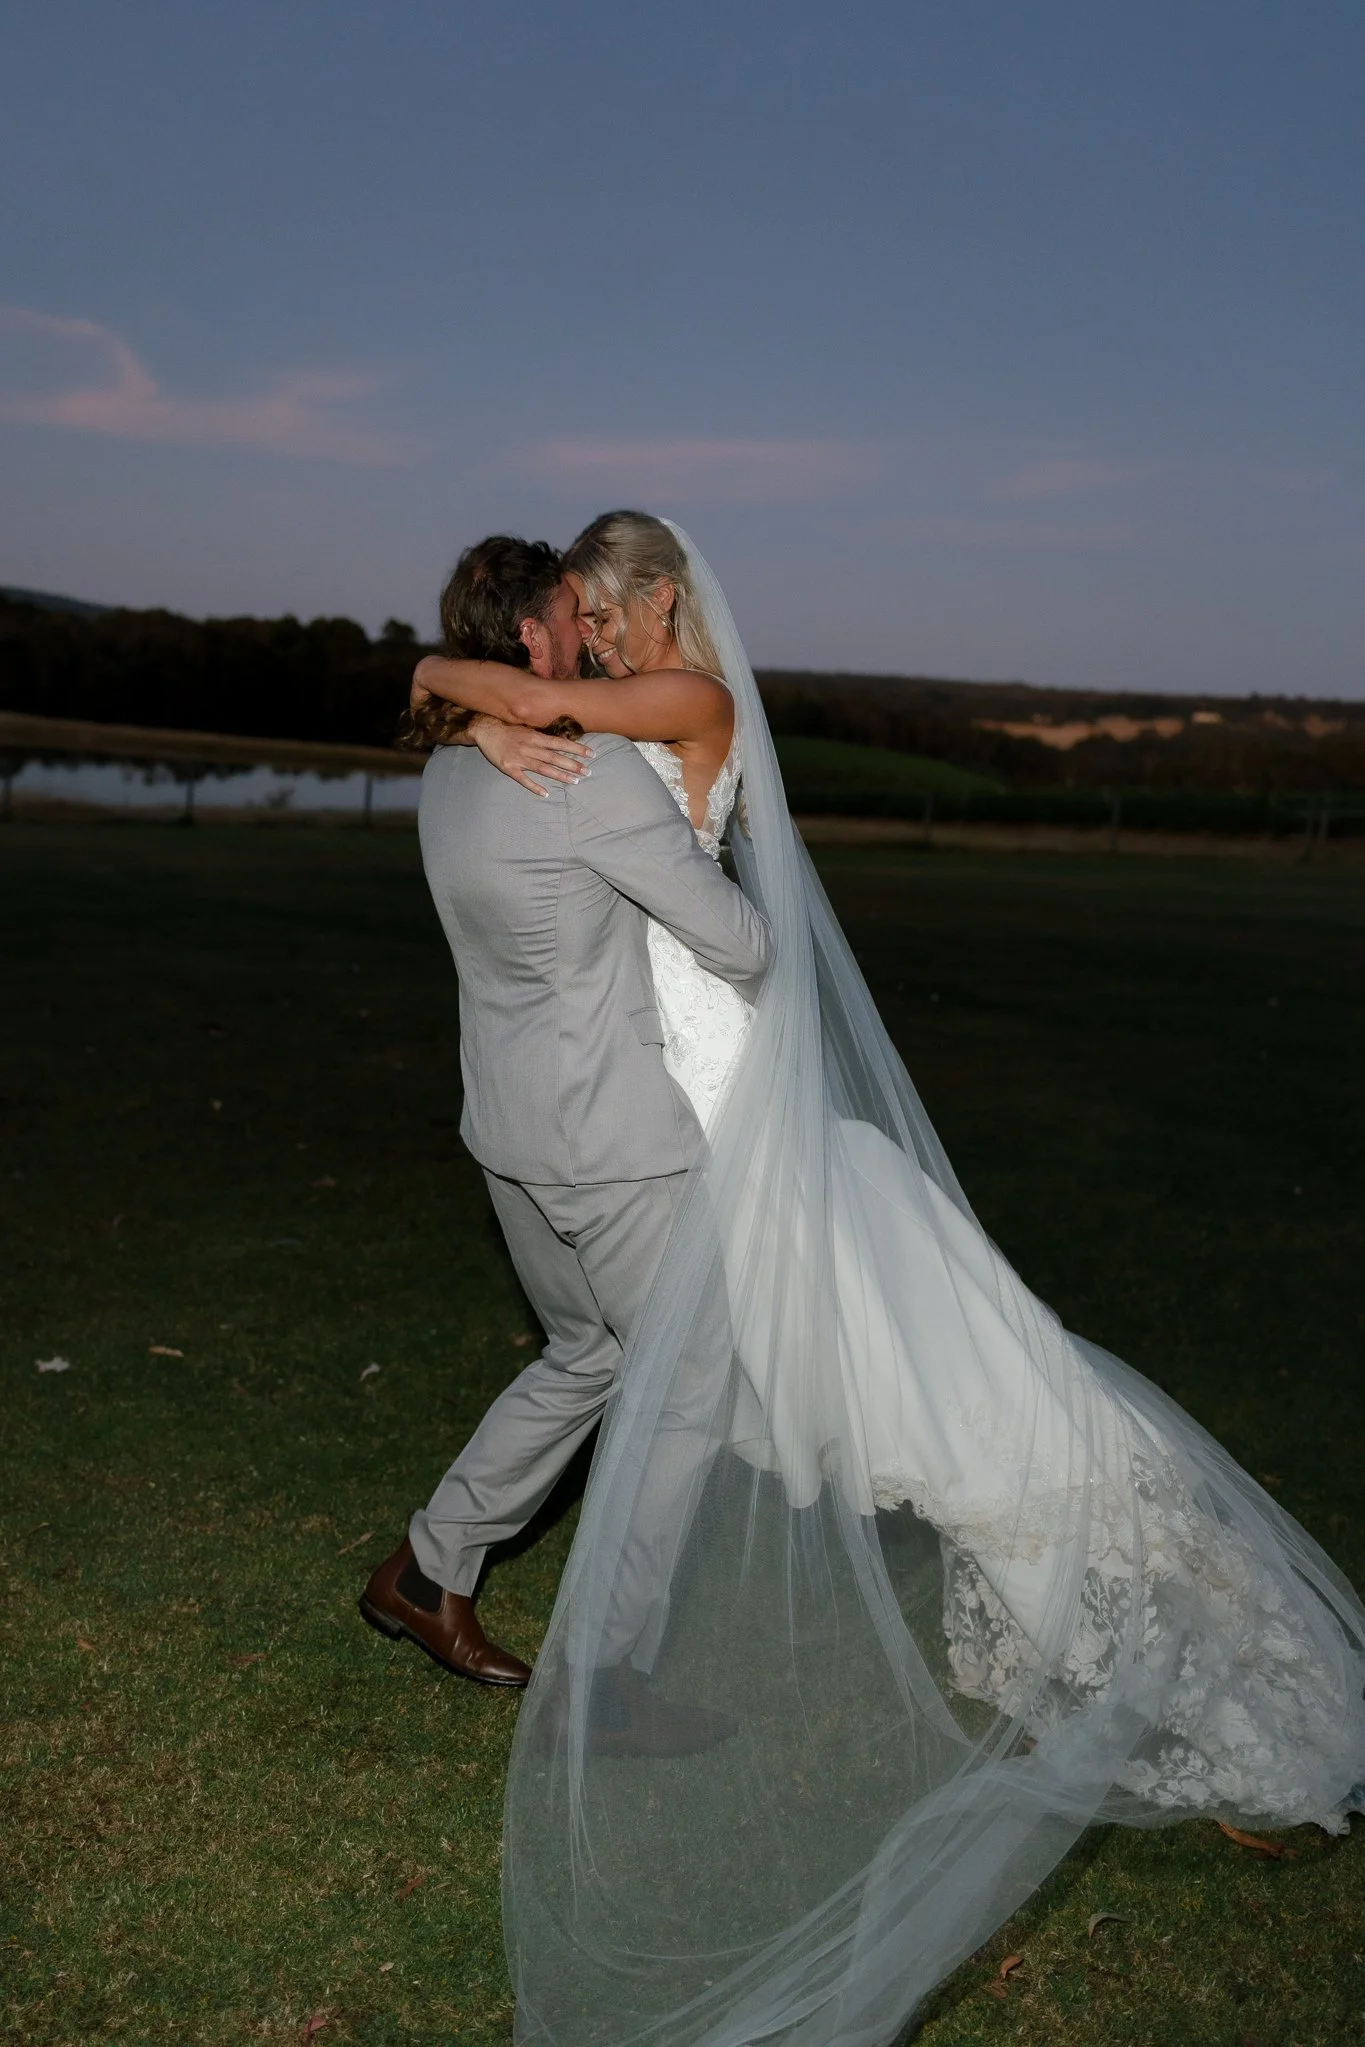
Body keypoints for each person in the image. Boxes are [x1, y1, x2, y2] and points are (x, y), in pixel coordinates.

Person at [417, 512, 1365, 2047]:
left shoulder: (691, 707)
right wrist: (474, 691)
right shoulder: (601, 717)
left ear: (658, 604)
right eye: (572, 614)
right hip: (683, 1127)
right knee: (854, 1409)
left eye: (598, 607)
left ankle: (1212, 1669)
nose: (582, 633)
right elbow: (536, 721)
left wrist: (445, 673)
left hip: (724, 1117)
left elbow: (537, 708)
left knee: (949, 1416)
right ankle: (601, 1634)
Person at [359, 534, 771, 1757]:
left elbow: (454, 713)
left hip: (506, 1131)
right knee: (690, 1389)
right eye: (565, 620)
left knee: (587, 1350)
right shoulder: (589, 777)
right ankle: (614, 1671)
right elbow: (741, 946)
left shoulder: (449, 769)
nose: (584, 637)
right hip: (614, 1141)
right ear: (532, 642)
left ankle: (429, 1570)